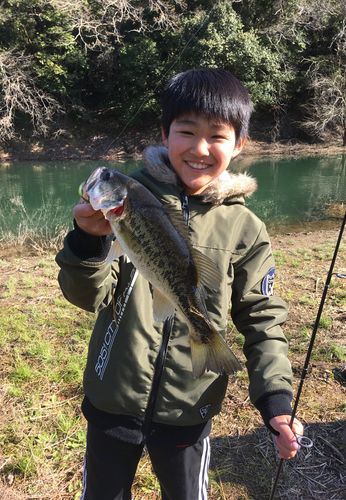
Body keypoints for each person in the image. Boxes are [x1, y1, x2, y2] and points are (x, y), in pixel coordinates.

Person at [56, 68, 303, 500]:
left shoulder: (245, 227)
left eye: (217, 136)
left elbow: (263, 318)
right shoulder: (129, 201)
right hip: (112, 401)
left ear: (239, 144)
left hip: (190, 407)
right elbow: (86, 295)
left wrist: (276, 400)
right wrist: (87, 242)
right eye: (186, 131)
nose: (200, 148)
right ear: (165, 133)